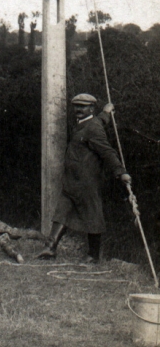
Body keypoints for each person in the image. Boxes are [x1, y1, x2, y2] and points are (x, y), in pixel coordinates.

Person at [38, 93, 131, 264]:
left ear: (91, 108)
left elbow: (107, 151)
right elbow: (101, 120)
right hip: (72, 180)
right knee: (62, 211)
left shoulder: (93, 127)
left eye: (83, 106)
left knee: (93, 215)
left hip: (87, 182)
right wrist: (107, 113)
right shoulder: (86, 123)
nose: (78, 109)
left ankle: (93, 256)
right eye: (76, 106)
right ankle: (50, 248)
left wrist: (120, 171)